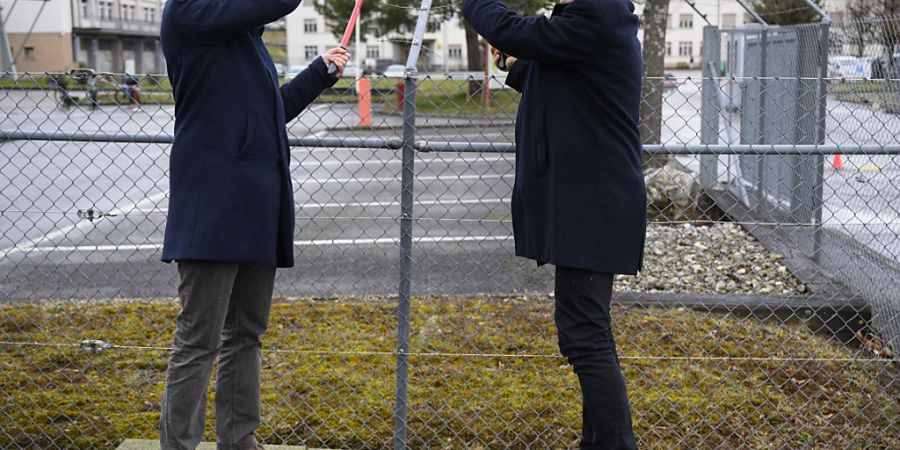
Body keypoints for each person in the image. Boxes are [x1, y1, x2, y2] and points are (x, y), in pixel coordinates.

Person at [158, 0, 350, 449]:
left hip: (257, 208)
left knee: (246, 335)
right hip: (213, 208)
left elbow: (270, 113)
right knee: (198, 340)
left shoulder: (245, 40)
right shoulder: (189, 12)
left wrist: (318, 73)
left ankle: (239, 441)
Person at [462, 0, 646, 449]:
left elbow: (515, 29)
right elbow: (559, 77)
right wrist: (518, 62)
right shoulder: (589, 24)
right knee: (590, 333)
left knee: (584, 336)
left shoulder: (597, 15)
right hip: (592, 202)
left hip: (594, 206)